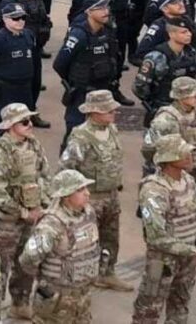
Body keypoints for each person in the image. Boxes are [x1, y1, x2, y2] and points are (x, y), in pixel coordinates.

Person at [0, 102, 51, 319]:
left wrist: (43, 205)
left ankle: (20, 303)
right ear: (10, 125)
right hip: (6, 222)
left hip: (33, 216)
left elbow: (44, 175)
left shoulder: (33, 145)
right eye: (24, 121)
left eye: (30, 120)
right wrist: (23, 212)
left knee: (27, 263)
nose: (31, 125)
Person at [132, 135, 196, 324]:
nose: (189, 155)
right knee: (148, 310)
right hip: (163, 262)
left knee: (180, 305)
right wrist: (195, 251)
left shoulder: (188, 180)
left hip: (187, 258)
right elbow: (156, 237)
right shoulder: (154, 190)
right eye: (182, 153)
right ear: (167, 159)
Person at [60, 90, 131, 292]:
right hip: (90, 197)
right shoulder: (81, 136)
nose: (114, 112)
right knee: (87, 241)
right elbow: (67, 168)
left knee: (111, 237)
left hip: (111, 195)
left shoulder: (112, 130)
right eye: (108, 109)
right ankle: (83, 278)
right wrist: (73, 198)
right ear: (93, 112)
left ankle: (107, 273)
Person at [18, 169, 99, 323]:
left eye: (86, 188)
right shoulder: (51, 224)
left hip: (83, 296)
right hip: (56, 301)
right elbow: (28, 259)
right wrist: (44, 281)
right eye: (80, 190)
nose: (87, 193)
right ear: (66, 196)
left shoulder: (88, 213)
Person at [55, 0, 120, 139]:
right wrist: (74, 79)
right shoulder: (79, 34)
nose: (106, 11)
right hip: (82, 91)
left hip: (102, 89)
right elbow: (60, 63)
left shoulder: (107, 32)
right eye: (100, 8)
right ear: (89, 12)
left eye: (106, 7)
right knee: (75, 132)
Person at [0, 0, 51, 114]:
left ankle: (31, 110)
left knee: (35, 82)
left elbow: (43, 18)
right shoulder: (9, 2)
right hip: (16, 47)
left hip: (34, 46)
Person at [0, 4, 37, 142]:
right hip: (5, 88)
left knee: (23, 120)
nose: (20, 21)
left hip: (24, 87)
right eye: (15, 18)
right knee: (0, 122)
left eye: (22, 17)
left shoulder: (28, 35)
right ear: (5, 19)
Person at [142, 76, 196, 179]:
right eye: (194, 96)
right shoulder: (165, 120)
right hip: (171, 174)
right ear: (181, 97)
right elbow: (148, 150)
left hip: (194, 171)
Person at [134, 17, 196, 126]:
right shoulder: (156, 57)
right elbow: (139, 86)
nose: (189, 34)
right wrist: (153, 102)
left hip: (183, 106)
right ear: (171, 34)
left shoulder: (190, 53)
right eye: (184, 32)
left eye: (189, 31)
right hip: (161, 107)